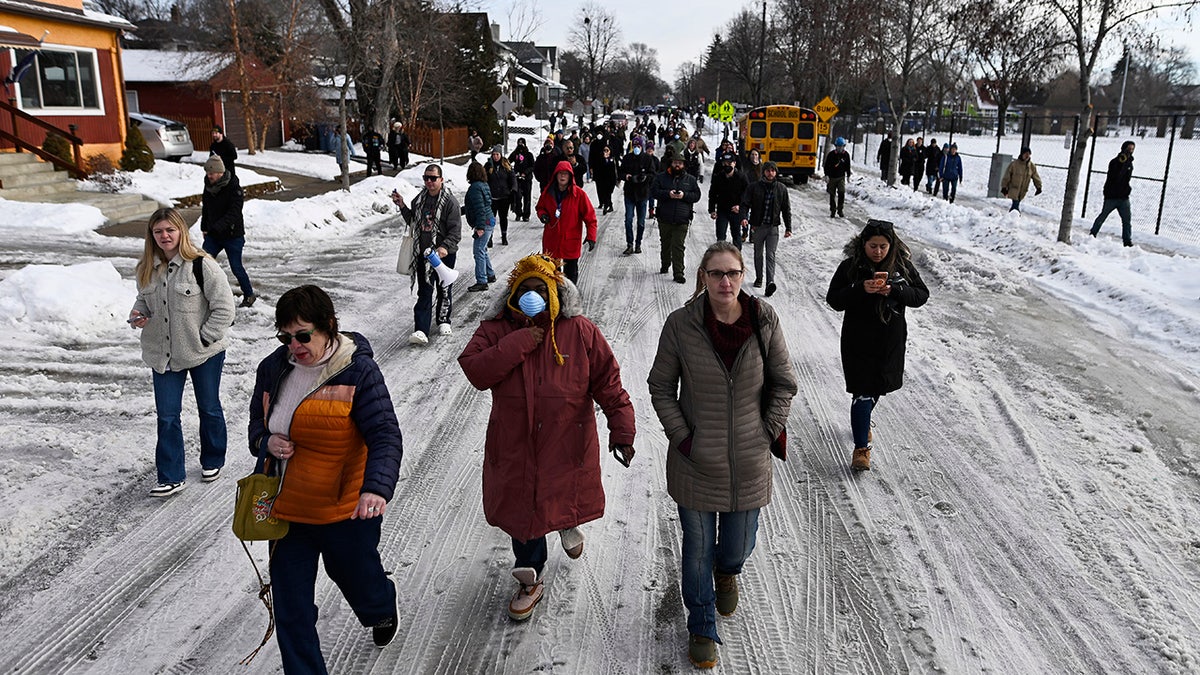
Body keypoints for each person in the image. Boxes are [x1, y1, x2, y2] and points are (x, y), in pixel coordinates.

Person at [457, 254, 636, 622]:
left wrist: (623, 429)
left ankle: (566, 522)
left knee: (560, 491)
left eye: (541, 289)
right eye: (525, 289)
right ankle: (530, 577)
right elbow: (475, 369)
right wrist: (522, 340)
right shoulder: (496, 329)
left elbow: (608, 382)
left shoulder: (581, 330)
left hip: (566, 442)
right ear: (512, 294)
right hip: (514, 444)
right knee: (523, 510)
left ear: (555, 291)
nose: (533, 296)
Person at [647, 241, 797, 670]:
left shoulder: (764, 319)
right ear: (704, 278)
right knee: (696, 551)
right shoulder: (681, 325)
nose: (725, 281)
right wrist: (683, 438)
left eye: (732, 273)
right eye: (716, 274)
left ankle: (728, 571)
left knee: (736, 546)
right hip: (695, 463)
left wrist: (766, 431)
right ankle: (701, 625)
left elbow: (784, 382)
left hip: (750, 461)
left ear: (743, 273)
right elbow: (661, 386)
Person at [248, 284, 403, 673]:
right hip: (287, 510)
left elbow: (384, 433)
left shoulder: (358, 371)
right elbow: (255, 427)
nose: (294, 345)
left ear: (328, 326)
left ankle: (381, 606)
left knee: (360, 583)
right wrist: (267, 441)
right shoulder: (273, 367)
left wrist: (375, 488)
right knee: (292, 609)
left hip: (344, 509)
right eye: (286, 336)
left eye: (304, 335)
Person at [130, 207, 235, 497]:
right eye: (158, 231)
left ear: (181, 232)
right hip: (162, 353)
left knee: (209, 407)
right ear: (152, 236)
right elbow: (143, 301)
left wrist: (204, 338)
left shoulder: (202, 265)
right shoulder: (148, 268)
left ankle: (213, 458)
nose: (165, 236)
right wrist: (138, 313)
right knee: (167, 416)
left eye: (170, 230)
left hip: (203, 352)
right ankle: (171, 475)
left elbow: (225, 307)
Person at [825, 220, 929, 472]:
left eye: (883, 246)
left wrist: (895, 291)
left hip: (889, 341)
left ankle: (862, 420)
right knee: (862, 390)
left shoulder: (902, 267)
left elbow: (921, 295)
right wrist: (861, 288)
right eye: (873, 246)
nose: (878, 251)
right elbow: (834, 299)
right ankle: (861, 449)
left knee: (878, 387)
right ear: (864, 244)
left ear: (891, 246)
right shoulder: (850, 267)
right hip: (857, 340)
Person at [390, 164, 462, 345]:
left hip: (444, 255)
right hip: (424, 254)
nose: (429, 182)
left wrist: (445, 247)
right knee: (424, 291)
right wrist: (402, 206)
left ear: (441, 180)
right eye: (426, 178)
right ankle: (421, 329)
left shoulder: (450, 202)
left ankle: (444, 320)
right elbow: (413, 221)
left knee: (444, 289)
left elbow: (455, 231)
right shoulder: (419, 200)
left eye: (433, 178)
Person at [200, 155, 256, 307]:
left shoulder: (234, 188)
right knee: (202, 263)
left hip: (233, 235)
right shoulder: (208, 186)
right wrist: (204, 227)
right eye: (207, 173)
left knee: (236, 267)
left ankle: (249, 295)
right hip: (213, 235)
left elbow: (234, 213)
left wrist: (217, 227)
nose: (209, 175)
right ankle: (202, 296)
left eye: (211, 173)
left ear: (220, 173)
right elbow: (206, 208)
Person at [536, 161, 597, 284]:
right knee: (553, 274)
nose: (562, 176)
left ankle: (570, 298)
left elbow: (590, 217)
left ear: (570, 176)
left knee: (571, 274)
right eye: (560, 174)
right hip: (552, 240)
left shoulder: (579, 195)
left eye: (565, 174)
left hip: (570, 240)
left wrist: (591, 236)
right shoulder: (548, 192)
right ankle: (555, 299)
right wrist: (542, 215)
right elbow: (540, 207)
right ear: (556, 175)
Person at [739, 161, 792, 297]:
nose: (770, 173)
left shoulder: (781, 188)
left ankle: (770, 282)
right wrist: (743, 217)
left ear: (776, 172)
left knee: (770, 255)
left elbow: (786, 209)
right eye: (768, 171)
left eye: (773, 171)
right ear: (764, 172)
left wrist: (788, 227)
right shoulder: (754, 187)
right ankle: (759, 278)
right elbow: (745, 203)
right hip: (758, 226)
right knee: (758, 253)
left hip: (773, 228)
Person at [652, 154, 702, 283]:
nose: (677, 165)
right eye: (675, 163)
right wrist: (667, 194)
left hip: (682, 218)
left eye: (680, 163)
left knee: (678, 246)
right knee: (666, 244)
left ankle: (678, 272)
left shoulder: (690, 179)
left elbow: (696, 195)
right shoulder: (661, 177)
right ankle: (665, 263)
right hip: (664, 217)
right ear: (671, 164)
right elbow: (654, 192)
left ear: (684, 165)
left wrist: (684, 195)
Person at [1089, 141, 1135, 247]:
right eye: (1128, 149)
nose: (1130, 151)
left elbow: (1125, 179)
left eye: (1132, 149)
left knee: (1127, 220)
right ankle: (1092, 234)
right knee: (1103, 216)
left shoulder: (1129, 163)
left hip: (1123, 197)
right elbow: (1116, 177)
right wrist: (1123, 164)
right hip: (1112, 196)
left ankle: (1127, 241)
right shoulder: (1115, 162)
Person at [464, 162, 496, 293]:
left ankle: (482, 281)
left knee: (478, 251)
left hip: (484, 222)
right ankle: (490, 274)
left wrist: (480, 227)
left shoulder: (475, 188)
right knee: (482, 249)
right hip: (489, 219)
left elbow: (479, 208)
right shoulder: (483, 185)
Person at [619, 137, 655, 254]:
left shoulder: (647, 159)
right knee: (628, 220)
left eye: (638, 146)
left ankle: (638, 243)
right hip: (629, 193)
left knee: (641, 222)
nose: (636, 148)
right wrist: (627, 177)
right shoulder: (627, 158)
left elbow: (653, 174)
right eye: (634, 146)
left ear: (642, 147)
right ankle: (629, 244)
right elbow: (620, 172)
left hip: (643, 194)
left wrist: (645, 178)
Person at [708, 151, 749, 249]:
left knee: (736, 236)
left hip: (736, 210)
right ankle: (721, 257)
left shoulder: (742, 177)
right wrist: (712, 210)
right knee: (720, 236)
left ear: (734, 163)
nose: (727, 165)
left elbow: (747, 195)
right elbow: (712, 194)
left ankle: (737, 259)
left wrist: (740, 207)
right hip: (722, 210)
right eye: (725, 163)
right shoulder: (718, 177)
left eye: (729, 163)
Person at [485, 146, 516, 246]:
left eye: (497, 154)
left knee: (503, 218)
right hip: (492, 197)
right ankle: (490, 237)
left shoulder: (506, 165)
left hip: (504, 197)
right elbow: (483, 179)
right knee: (491, 218)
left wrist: (513, 190)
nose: (495, 157)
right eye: (493, 154)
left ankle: (504, 236)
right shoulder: (488, 166)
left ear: (501, 154)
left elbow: (512, 178)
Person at [1000, 146, 1043, 212]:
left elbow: (1035, 177)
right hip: (1014, 189)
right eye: (1025, 154)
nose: (1027, 156)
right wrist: (1004, 187)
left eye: (1028, 154)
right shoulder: (1014, 164)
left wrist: (1038, 187)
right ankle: (1014, 218)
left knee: (1015, 205)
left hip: (1023, 190)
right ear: (1022, 154)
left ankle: (1010, 218)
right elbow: (1007, 176)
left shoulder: (1031, 166)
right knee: (1015, 205)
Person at [824, 136, 852, 218]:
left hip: (841, 177)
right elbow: (827, 166)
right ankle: (832, 210)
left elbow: (848, 166)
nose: (840, 148)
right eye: (838, 147)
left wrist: (848, 175)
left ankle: (840, 209)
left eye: (842, 147)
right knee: (832, 194)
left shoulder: (846, 155)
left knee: (841, 192)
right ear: (836, 146)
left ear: (844, 146)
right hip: (832, 177)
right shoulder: (831, 155)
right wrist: (827, 175)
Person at [508, 138, 535, 221]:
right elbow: (508, 161)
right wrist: (513, 171)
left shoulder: (529, 154)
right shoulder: (515, 153)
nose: (520, 145)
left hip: (527, 179)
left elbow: (532, 166)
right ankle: (518, 213)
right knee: (517, 196)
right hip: (517, 178)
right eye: (519, 143)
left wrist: (525, 173)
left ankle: (526, 215)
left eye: (522, 144)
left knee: (527, 197)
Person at [591, 143, 619, 215]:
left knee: (608, 193)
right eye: (604, 150)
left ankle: (609, 205)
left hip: (611, 180)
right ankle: (607, 206)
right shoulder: (599, 159)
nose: (606, 152)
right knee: (605, 194)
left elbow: (616, 169)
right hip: (602, 180)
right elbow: (597, 168)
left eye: (607, 150)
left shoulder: (613, 159)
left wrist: (618, 178)